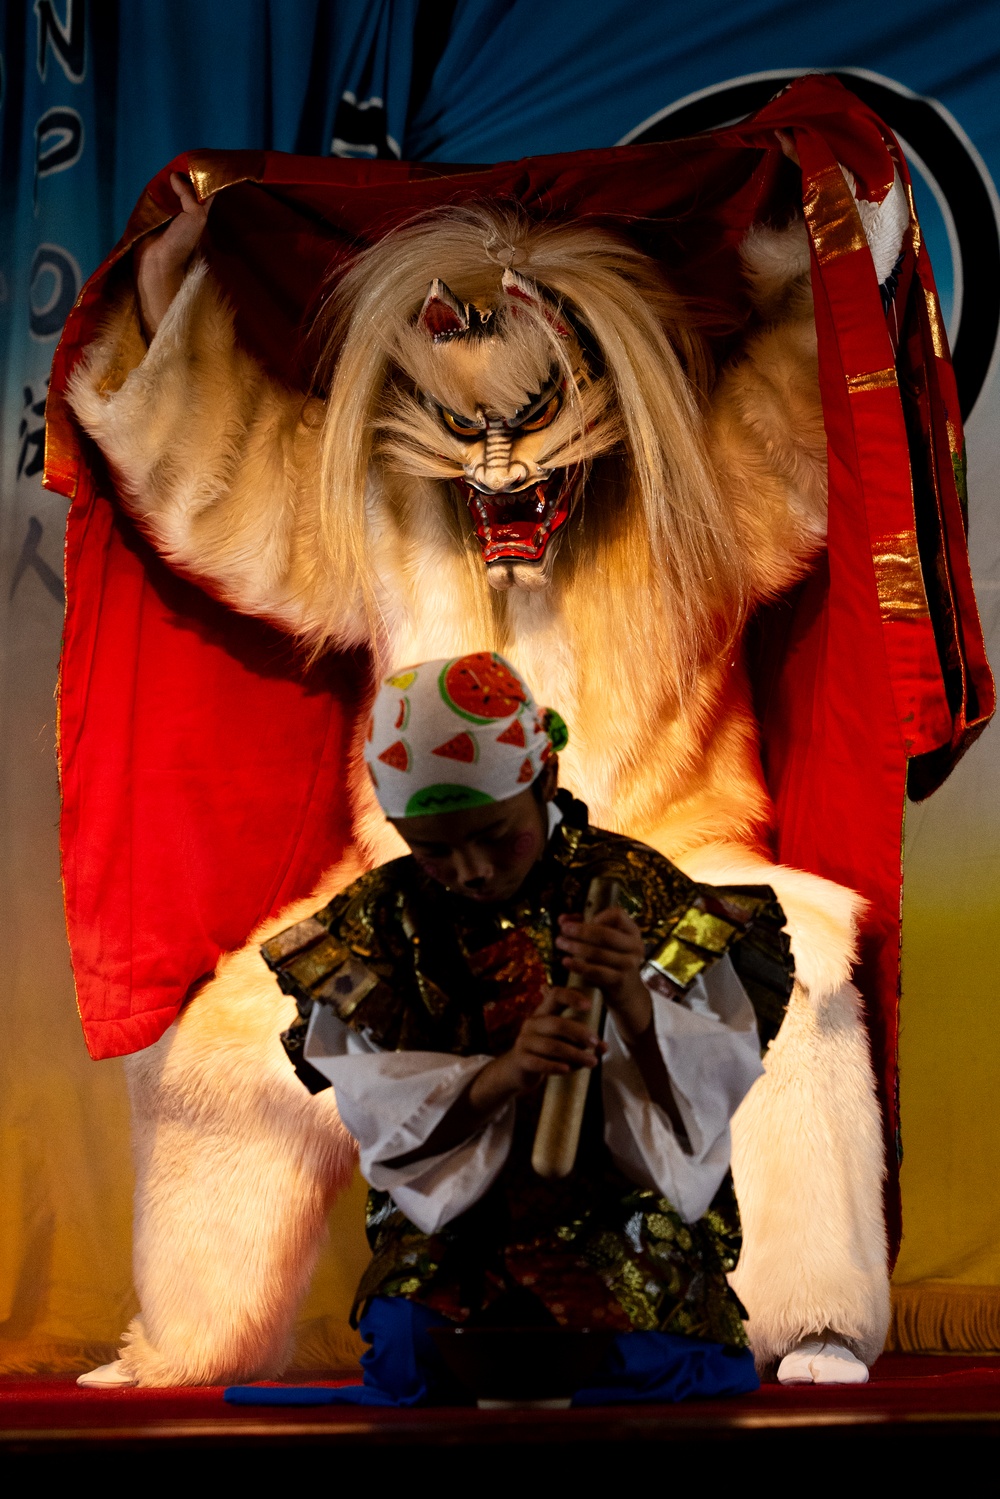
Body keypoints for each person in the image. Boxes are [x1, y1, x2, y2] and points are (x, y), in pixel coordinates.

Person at [248, 651, 794, 1406]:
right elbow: (388, 1126)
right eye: (434, 849)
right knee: (414, 1352)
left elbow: (701, 1103)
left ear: (544, 779)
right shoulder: (381, 921)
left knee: (657, 1358)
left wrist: (633, 1002)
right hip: (457, 1228)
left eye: (497, 835)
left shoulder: (636, 888)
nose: (471, 869)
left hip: (617, 1214)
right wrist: (503, 1076)